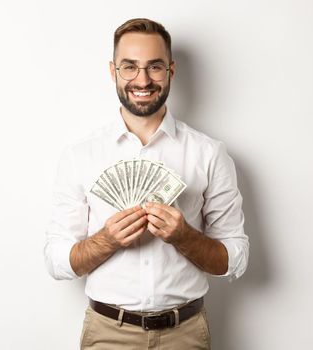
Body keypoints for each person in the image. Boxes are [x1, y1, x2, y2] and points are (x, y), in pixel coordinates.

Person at [44, 18, 249, 350]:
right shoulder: (79, 156)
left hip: (185, 333)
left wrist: (185, 237)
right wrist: (105, 240)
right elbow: (56, 259)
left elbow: (235, 258)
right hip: (108, 333)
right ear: (113, 71)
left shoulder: (210, 154)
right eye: (130, 67)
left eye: (154, 67)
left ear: (171, 70)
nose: (142, 80)